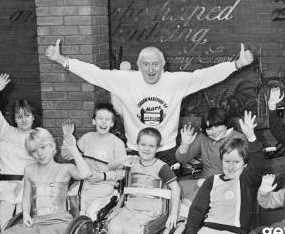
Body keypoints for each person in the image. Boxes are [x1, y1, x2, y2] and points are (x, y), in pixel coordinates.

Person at [45, 39, 255, 164]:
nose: (151, 69)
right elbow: (95, 74)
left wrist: (236, 64)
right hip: (135, 149)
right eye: (146, 64)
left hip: (167, 151)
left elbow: (203, 76)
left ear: (163, 65)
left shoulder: (175, 82)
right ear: (138, 65)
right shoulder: (126, 80)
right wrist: (62, 60)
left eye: (156, 64)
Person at [100, 127, 181, 234]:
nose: (147, 149)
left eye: (151, 146)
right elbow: (109, 167)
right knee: (114, 225)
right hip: (130, 207)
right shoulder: (132, 161)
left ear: (157, 148)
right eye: (143, 144)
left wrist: (173, 214)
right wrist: (122, 161)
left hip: (151, 210)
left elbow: (176, 189)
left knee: (131, 229)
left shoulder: (161, 167)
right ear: (137, 145)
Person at [0, 74, 37, 228]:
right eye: (19, 116)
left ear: (34, 117)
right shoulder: (6, 132)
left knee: (22, 206)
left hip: (28, 183)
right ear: (14, 118)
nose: (23, 119)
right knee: (7, 201)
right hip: (6, 182)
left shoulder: (38, 135)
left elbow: (46, 158)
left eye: (27, 115)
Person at [60, 103, 127, 218]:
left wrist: (103, 176)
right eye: (100, 118)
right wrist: (67, 137)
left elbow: (122, 173)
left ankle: (85, 225)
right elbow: (66, 155)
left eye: (107, 119)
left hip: (104, 186)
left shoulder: (117, 144)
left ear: (112, 123)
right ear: (94, 121)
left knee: (86, 209)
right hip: (85, 183)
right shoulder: (87, 138)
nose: (103, 122)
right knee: (69, 203)